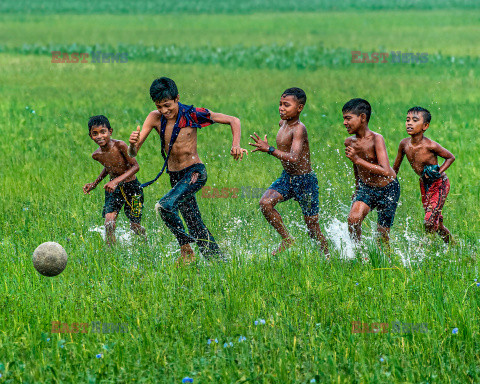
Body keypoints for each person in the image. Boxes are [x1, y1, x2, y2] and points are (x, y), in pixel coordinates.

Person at [128, 77, 247, 265]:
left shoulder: (191, 114)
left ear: (177, 98)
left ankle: (186, 250)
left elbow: (234, 120)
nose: (164, 111)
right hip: (175, 177)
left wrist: (236, 145)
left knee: (165, 206)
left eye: (168, 105)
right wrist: (132, 144)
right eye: (159, 107)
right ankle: (219, 262)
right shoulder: (154, 118)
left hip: (194, 173)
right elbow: (134, 152)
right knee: (194, 224)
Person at [249, 87, 329, 256]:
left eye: (286, 105)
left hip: (305, 182)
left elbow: (293, 157)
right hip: (288, 178)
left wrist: (269, 149)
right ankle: (287, 238)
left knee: (312, 228)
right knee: (265, 203)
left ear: (299, 108)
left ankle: (328, 257)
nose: (281, 108)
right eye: (280, 104)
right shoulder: (282, 123)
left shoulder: (299, 129)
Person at [393, 106, 455, 243]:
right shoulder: (404, 144)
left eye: (415, 120)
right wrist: (387, 182)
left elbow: (450, 157)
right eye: (407, 120)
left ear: (425, 126)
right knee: (435, 224)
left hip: (439, 184)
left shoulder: (430, 145)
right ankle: (454, 246)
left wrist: (438, 172)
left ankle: (424, 250)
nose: (409, 123)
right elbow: (395, 169)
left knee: (428, 221)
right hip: (424, 185)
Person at [342, 98, 399, 245]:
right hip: (367, 188)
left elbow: (385, 170)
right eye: (343, 119)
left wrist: (357, 159)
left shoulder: (376, 139)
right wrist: (357, 187)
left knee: (382, 236)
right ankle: (359, 253)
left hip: (388, 188)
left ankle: (385, 261)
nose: (344, 123)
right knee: (353, 219)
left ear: (362, 117)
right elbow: (356, 167)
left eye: (348, 118)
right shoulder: (349, 142)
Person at [83, 115, 145, 245]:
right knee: (109, 223)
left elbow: (135, 166)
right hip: (113, 190)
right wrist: (94, 184)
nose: (99, 136)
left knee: (135, 226)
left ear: (110, 132)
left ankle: (144, 243)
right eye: (95, 134)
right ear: (90, 136)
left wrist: (115, 181)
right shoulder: (96, 155)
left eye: (103, 132)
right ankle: (111, 253)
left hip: (132, 187)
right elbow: (109, 167)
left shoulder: (120, 145)